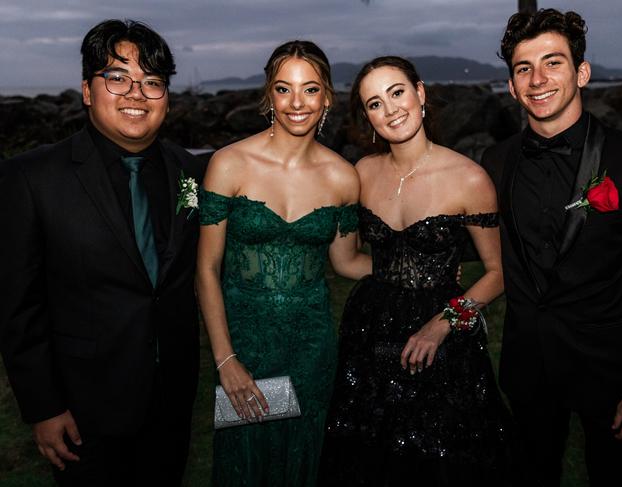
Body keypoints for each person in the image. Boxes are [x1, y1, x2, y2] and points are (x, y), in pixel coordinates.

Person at [0, 20, 204, 486]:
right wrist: (43, 406)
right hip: (83, 406)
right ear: (88, 91)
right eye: (117, 77)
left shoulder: (190, 172)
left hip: (172, 398)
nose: (136, 93)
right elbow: (18, 306)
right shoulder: (32, 178)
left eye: (152, 82)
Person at [321, 56, 515, 486]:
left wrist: (443, 322)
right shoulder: (359, 175)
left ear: (420, 93)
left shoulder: (469, 178)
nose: (390, 110)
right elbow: (347, 261)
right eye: (374, 103)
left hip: (443, 338)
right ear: (367, 118)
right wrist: (402, 274)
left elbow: (498, 273)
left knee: (443, 459)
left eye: (397, 92)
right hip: (370, 332)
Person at [481, 8, 622, 487]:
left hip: (612, 372)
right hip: (528, 365)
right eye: (523, 68)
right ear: (512, 86)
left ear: (582, 73)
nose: (538, 79)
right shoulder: (495, 162)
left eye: (553, 63)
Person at [196, 40, 370, 487]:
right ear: (267, 95)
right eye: (284, 88)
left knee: (302, 462)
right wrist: (226, 360)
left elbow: (347, 262)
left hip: (311, 350)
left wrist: (413, 269)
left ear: (327, 97)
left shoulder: (342, 178)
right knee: (245, 464)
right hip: (244, 350)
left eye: (310, 89)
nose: (297, 103)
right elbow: (206, 270)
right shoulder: (228, 164)